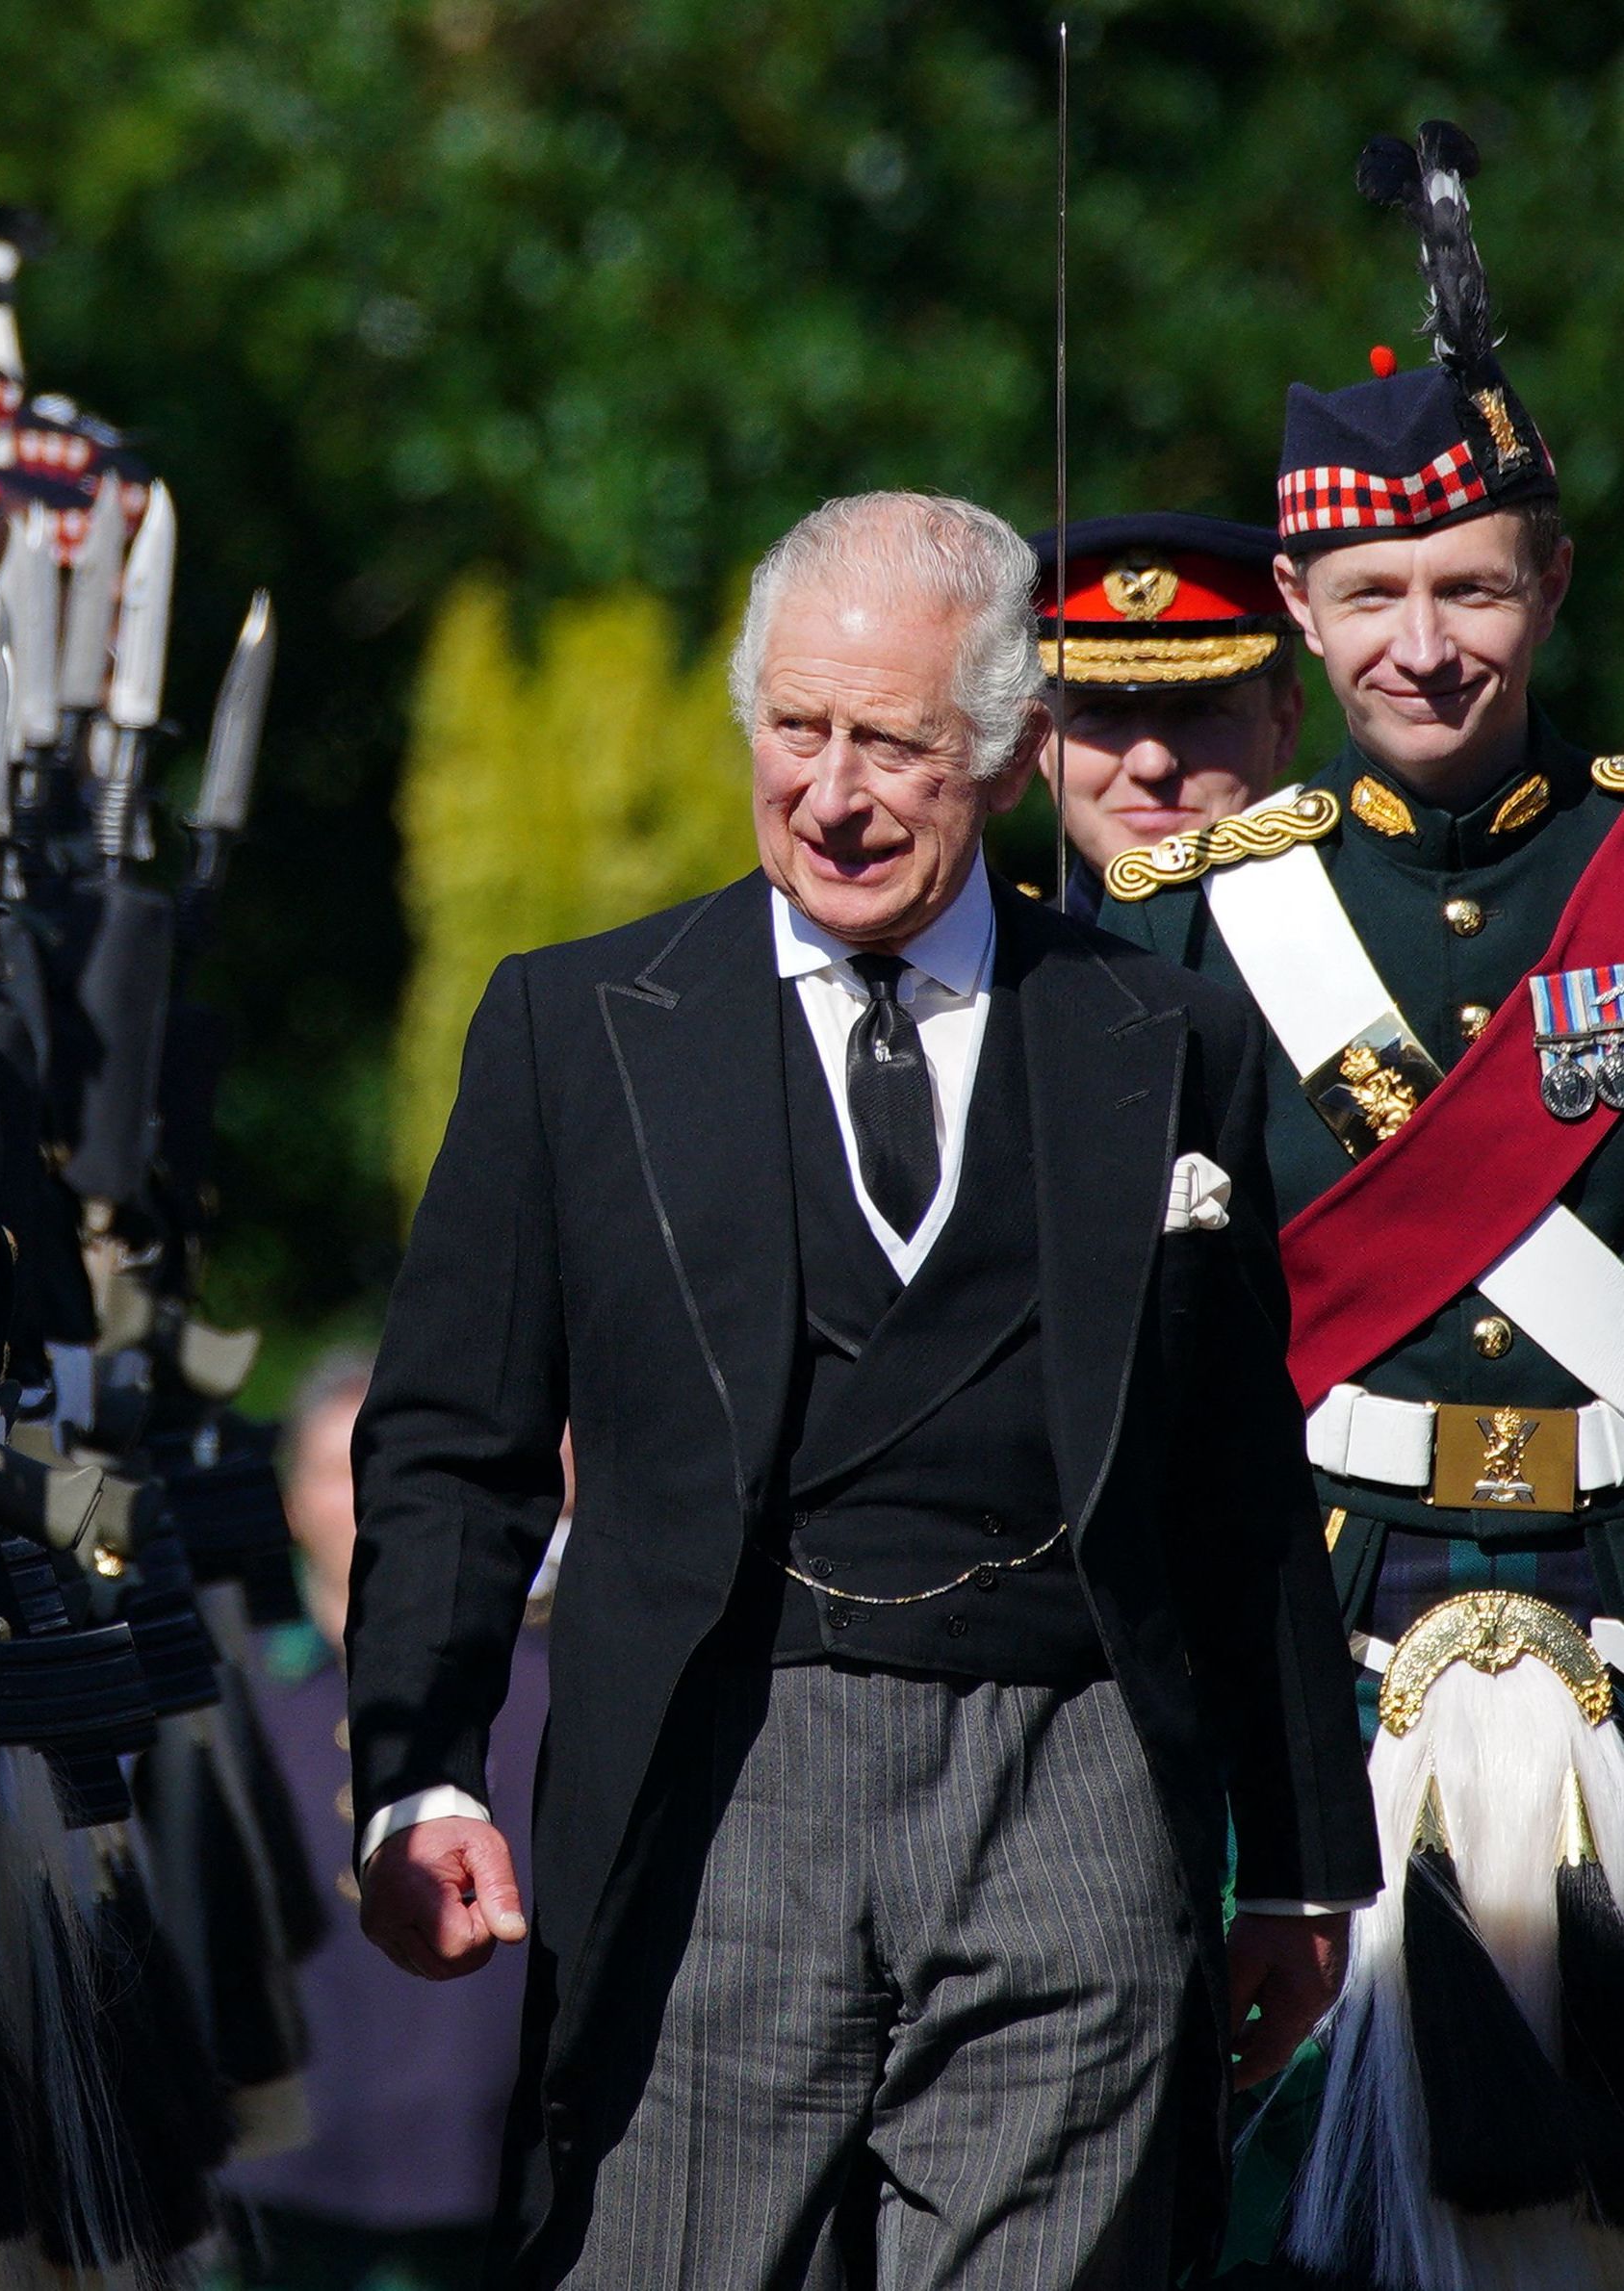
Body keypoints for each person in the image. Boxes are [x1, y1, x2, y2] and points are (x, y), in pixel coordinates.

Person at [347, 486, 1378, 2290]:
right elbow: (454, 1439)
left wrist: (1296, 1858)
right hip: (712, 1782)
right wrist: (419, 1777)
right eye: (797, 729)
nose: (832, 792)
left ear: (1006, 753)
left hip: (1073, 1786)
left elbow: (1233, 1472)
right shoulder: (577, 1027)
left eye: (894, 745)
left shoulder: (1158, 1037)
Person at [1102, 124, 1624, 2287]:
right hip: (1313, 1677)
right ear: (1299, 621)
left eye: (1470, 585)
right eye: (1374, 598)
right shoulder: (1183, 937)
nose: (1424, 644)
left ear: (1551, 586)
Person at [222, 1349, 548, 2291]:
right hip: (282, 2172)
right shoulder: (231, 1687)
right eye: (337, 1471)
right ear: (290, 1503)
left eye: (391, 1467)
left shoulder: (542, 1675)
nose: (366, 1499)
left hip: (494, 2166)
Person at [1028, 511, 1302, 918]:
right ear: (1037, 739)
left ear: (1283, 726)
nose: (1152, 765)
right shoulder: (986, 975)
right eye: (1101, 712)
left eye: (1198, 709)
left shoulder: (1368, 960)